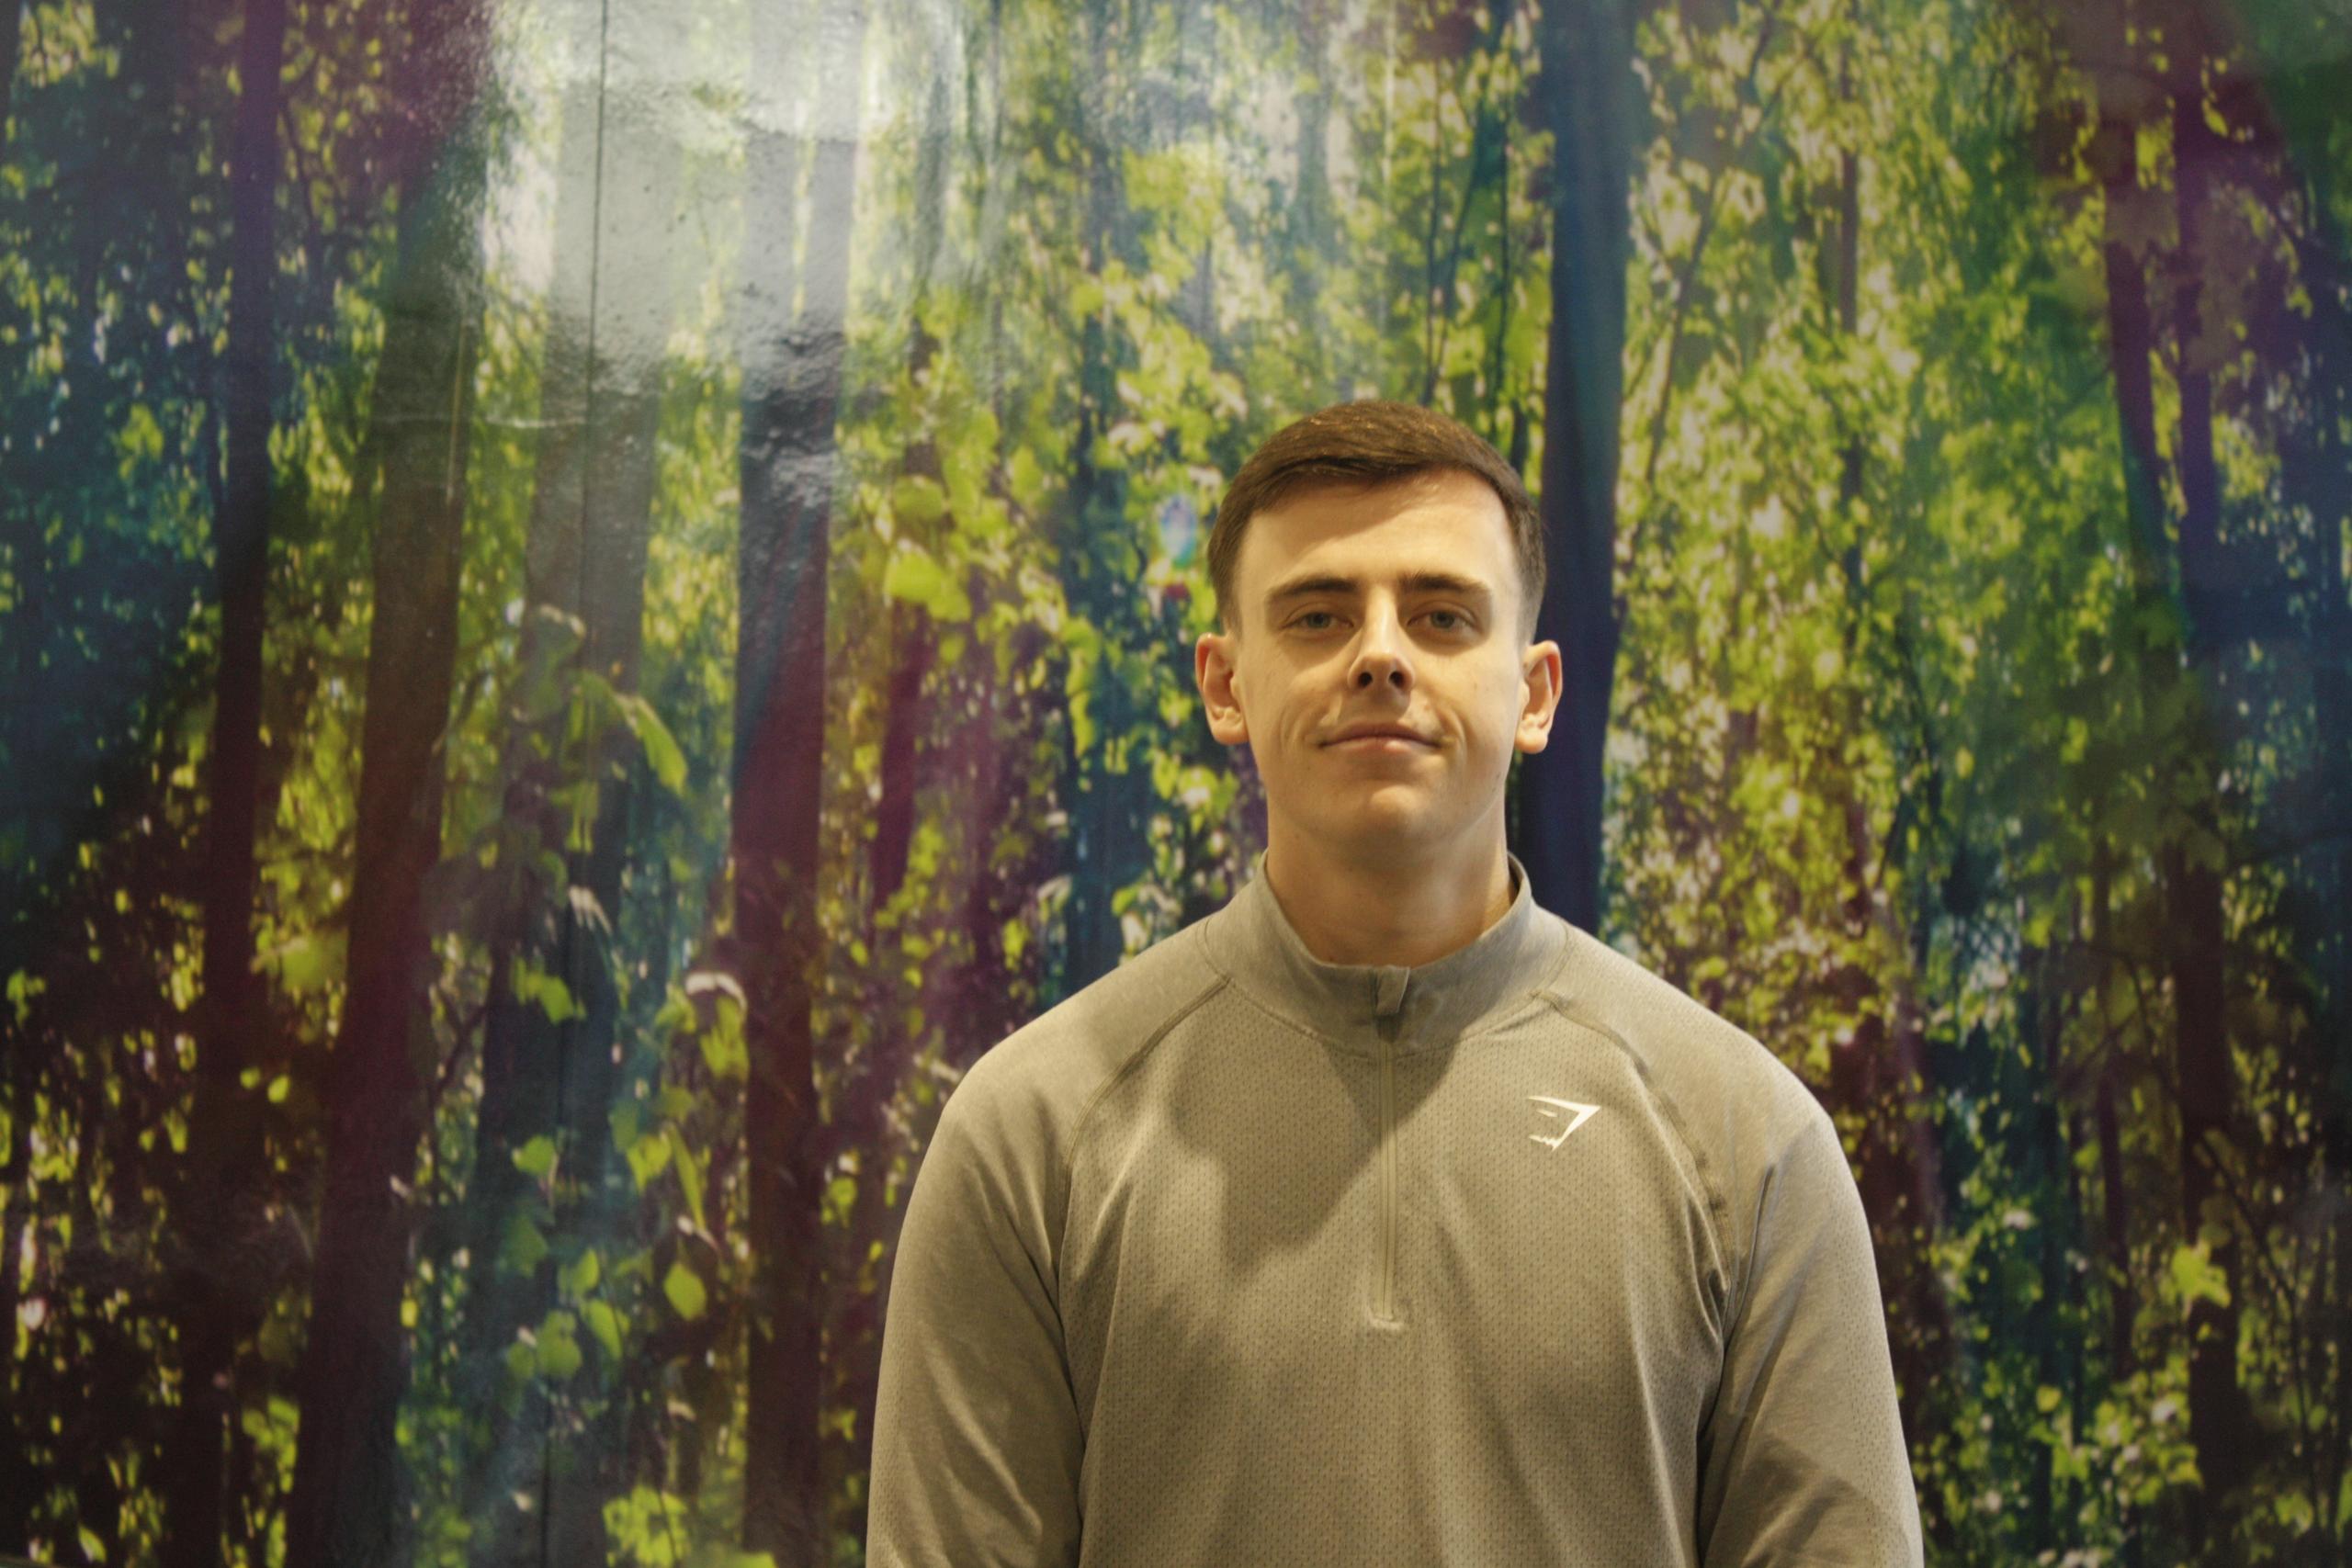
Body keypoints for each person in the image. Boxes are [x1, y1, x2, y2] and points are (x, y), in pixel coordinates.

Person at [866, 400, 1924, 1566]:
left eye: (1442, 615)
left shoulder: (1743, 1143)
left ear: (1534, 693)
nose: (1380, 654)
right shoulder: (1032, 1136)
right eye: (1317, 616)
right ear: (1225, 684)